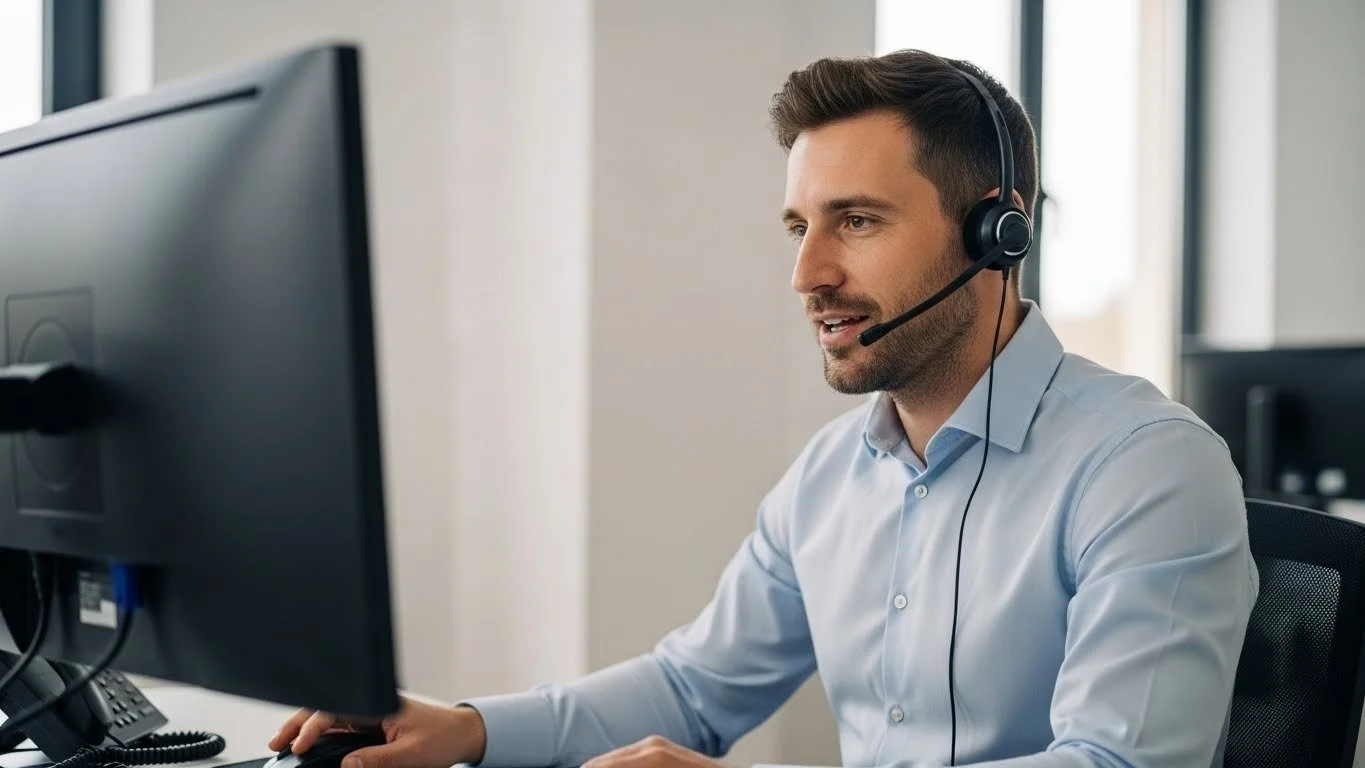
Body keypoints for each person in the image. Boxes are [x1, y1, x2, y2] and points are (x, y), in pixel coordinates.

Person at [270, 50, 1257, 768]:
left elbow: (1115, 766)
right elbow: (694, 688)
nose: (807, 274)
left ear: (996, 232)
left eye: (856, 222)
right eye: (799, 227)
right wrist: (470, 730)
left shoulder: (1147, 466)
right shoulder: (833, 477)